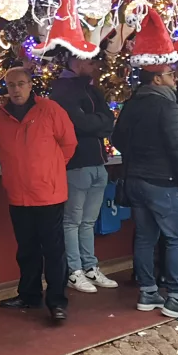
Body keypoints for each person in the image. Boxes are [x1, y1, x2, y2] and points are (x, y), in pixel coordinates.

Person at [113, 65, 178, 321]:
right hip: (164, 181)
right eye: (169, 74)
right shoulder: (168, 106)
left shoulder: (133, 104)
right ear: (156, 78)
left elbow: (117, 139)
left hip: (136, 179)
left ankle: (148, 292)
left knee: (145, 237)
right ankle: (176, 298)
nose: (175, 79)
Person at [0, 67, 77, 322]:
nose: (16, 90)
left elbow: (69, 143)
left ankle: (56, 301)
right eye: (11, 85)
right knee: (26, 250)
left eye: (20, 84)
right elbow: (0, 148)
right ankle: (29, 295)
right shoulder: (0, 116)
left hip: (48, 194)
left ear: (31, 85)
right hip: (18, 194)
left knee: (53, 250)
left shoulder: (50, 110)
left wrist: (50, 169)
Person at [49, 57, 118, 293]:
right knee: (73, 221)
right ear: (77, 62)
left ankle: (89, 266)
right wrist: (98, 123)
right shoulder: (62, 90)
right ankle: (74, 270)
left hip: (98, 163)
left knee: (87, 221)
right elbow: (78, 124)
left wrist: (95, 122)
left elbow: (108, 121)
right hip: (76, 164)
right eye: (91, 61)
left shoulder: (91, 89)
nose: (96, 65)